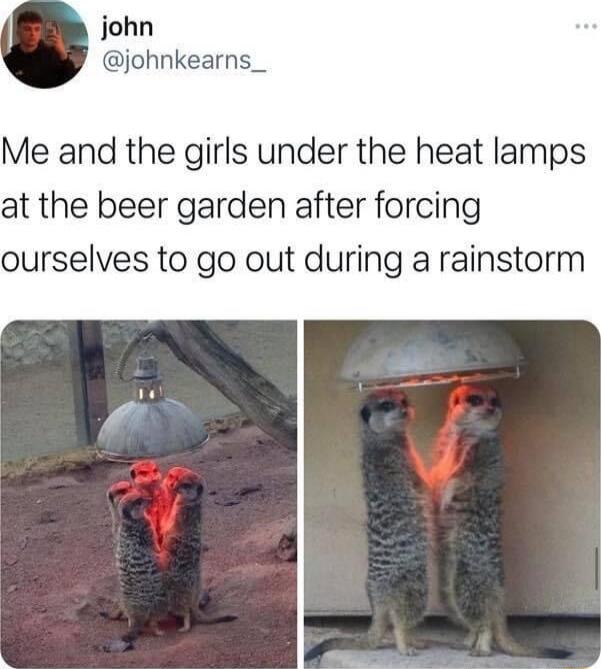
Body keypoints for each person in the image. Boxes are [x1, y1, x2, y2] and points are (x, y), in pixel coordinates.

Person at [4, 10, 76, 88]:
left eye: (37, 29)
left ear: (40, 32)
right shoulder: (8, 61)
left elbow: (70, 79)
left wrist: (63, 54)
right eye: (27, 29)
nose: (33, 33)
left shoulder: (52, 56)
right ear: (18, 31)